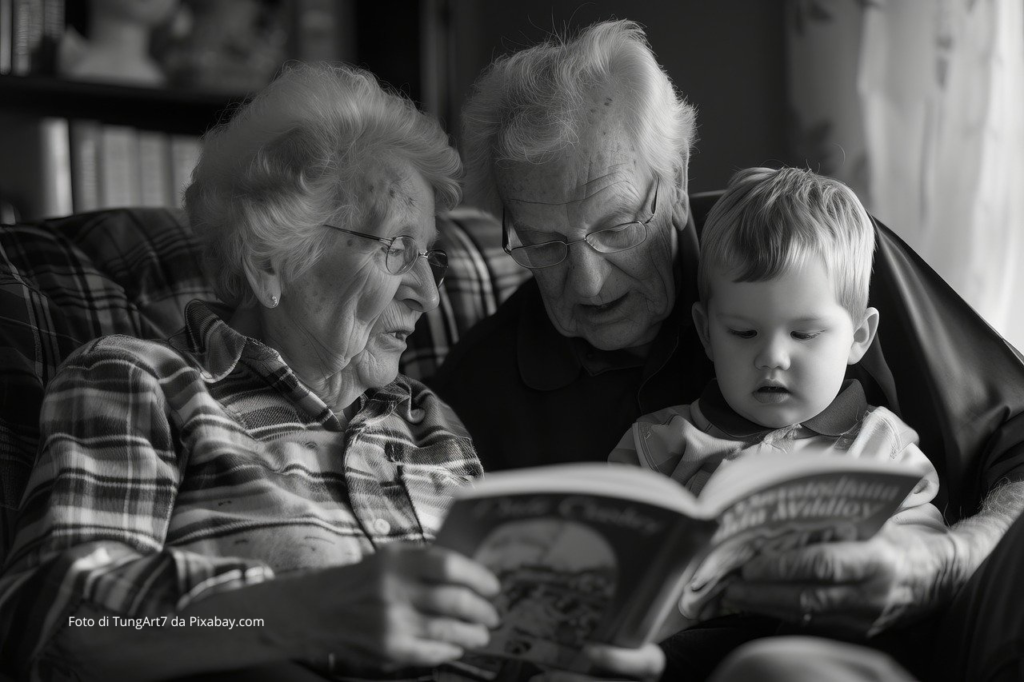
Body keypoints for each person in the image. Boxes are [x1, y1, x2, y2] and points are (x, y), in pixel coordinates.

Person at [0, 62, 661, 682]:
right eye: (398, 250)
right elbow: (62, 623)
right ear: (271, 262)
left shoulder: (430, 425)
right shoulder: (142, 386)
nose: (428, 295)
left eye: (429, 258)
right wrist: (302, 612)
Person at [431, 19, 1024, 682]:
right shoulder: (478, 390)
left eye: (617, 226)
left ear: (677, 176)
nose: (587, 281)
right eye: (543, 244)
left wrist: (937, 565)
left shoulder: (809, 259)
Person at [610, 166, 945, 533]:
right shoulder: (662, 442)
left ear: (859, 336)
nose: (772, 357)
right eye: (743, 332)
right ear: (707, 333)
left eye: (804, 335)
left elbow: (922, 557)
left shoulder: (881, 449)